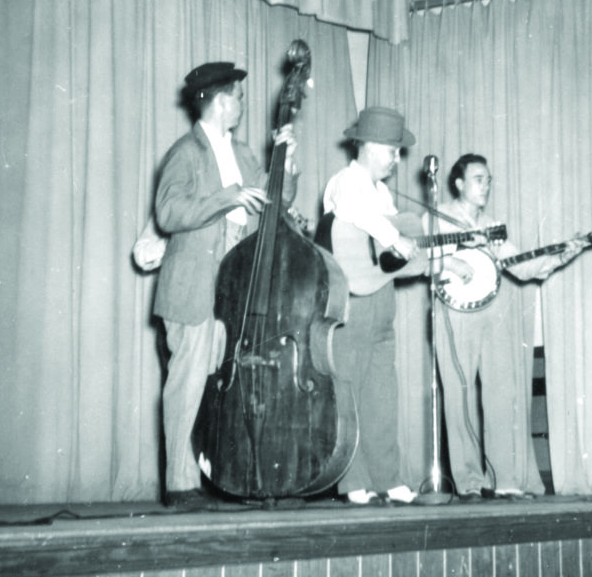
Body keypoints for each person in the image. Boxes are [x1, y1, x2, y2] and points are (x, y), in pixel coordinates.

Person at [152, 61, 298, 510]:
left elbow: (276, 201)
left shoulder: (243, 153)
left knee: (221, 387)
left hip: (231, 287)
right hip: (194, 286)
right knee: (189, 384)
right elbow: (169, 213)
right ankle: (180, 486)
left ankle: (223, 480)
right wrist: (227, 196)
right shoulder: (186, 152)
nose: (242, 105)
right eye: (237, 96)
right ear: (219, 101)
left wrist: (286, 164)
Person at [430, 153, 581, 499]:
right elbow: (419, 258)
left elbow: (522, 266)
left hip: (491, 313)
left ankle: (504, 481)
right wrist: (450, 263)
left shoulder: (492, 225)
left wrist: (562, 254)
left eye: (489, 180)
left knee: (501, 394)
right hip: (454, 316)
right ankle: (469, 483)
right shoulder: (437, 218)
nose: (486, 185)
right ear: (458, 183)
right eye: (479, 179)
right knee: (460, 399)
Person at [321, 106, 424, 505]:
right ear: (366, 146)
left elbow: (398, 242)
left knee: (382, 394)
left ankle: (388, 477)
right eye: (391, 151)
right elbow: (355, 213)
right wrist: (393, 237)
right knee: (350, 388)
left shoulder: (383, 193)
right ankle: (353, 481)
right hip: (351, 299)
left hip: (381, 299)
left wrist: (422, 251)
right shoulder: (345, 181)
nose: (396, 159)